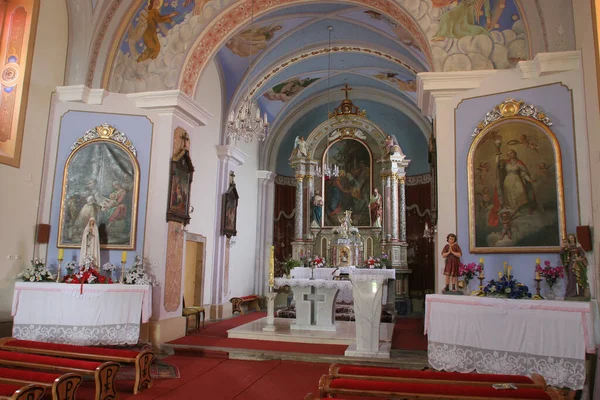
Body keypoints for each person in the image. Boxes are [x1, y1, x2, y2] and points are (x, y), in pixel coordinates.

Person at [561, 233, 589, 298]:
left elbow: (582, 253)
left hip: (578, 263)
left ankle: (581, 293)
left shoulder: (578, 245)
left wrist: (579, 258)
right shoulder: (567, 246)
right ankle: (572, 293)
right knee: (571, 277)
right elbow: (562, 253)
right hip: (571, 262)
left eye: (572, 238)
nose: (571, 239)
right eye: (570, 238)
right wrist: (563, 247)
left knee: (580, 278)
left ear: (574, 238)